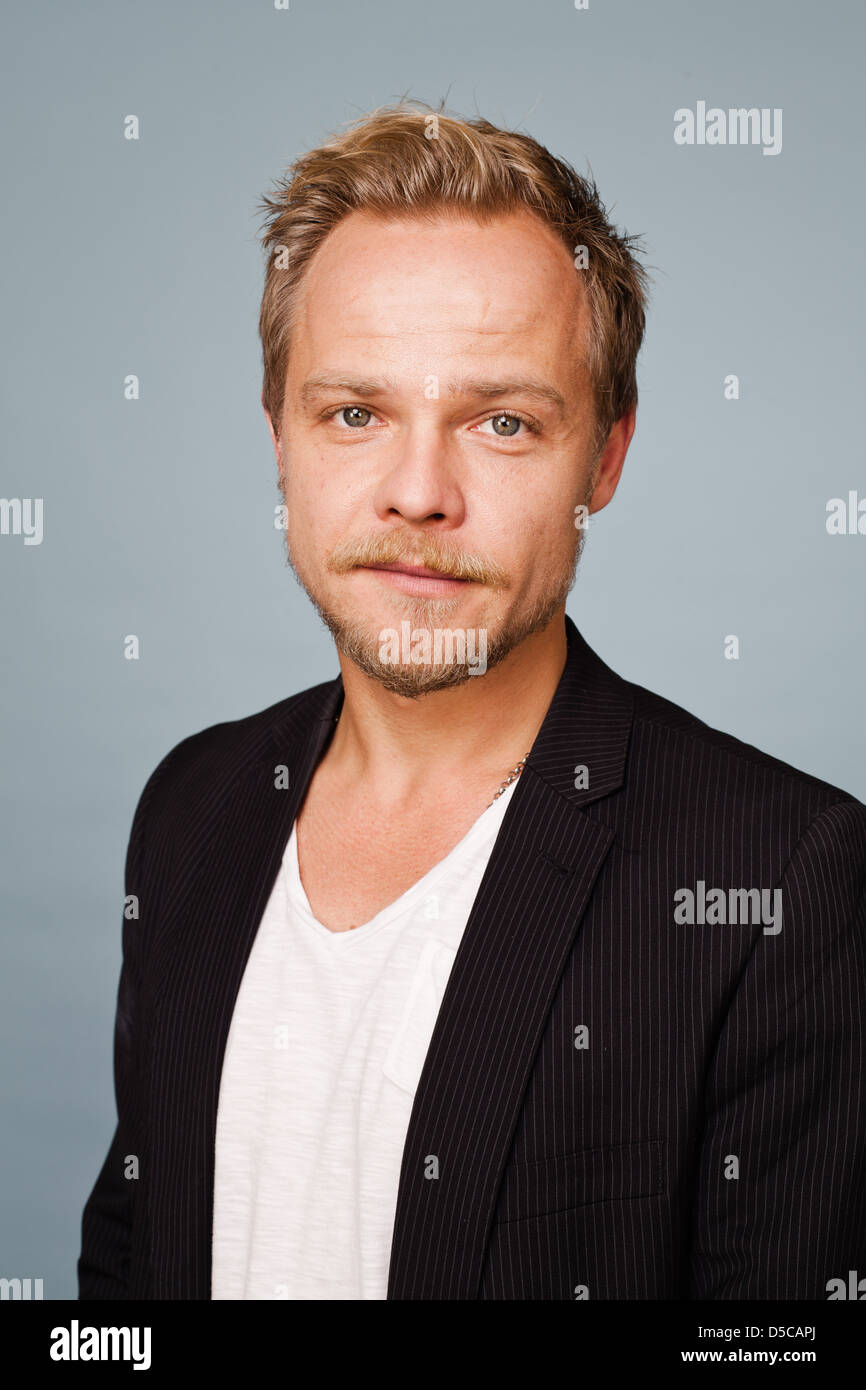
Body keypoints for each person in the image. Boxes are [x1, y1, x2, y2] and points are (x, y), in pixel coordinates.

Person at [79, 100, 866, 1300]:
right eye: (354, 413)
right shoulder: (193, 803)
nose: (416, 493)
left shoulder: (780, 876)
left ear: (602, 455)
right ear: (278, 440)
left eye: (500, 422)